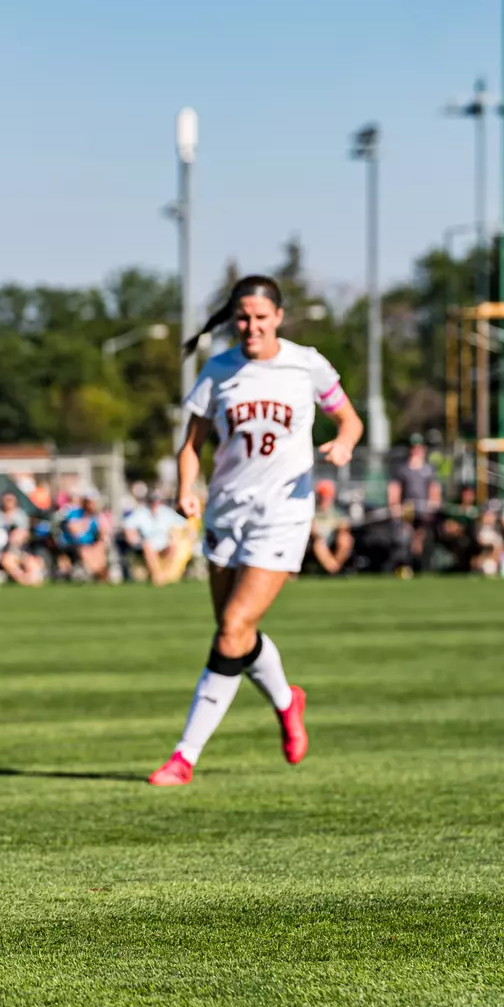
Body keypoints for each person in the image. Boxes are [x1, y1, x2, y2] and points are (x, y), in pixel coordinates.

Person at [149, 275, 363, 786]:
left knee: (231, 629)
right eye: (243, 317)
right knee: (234, 632)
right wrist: (186, 487)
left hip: (283, 515)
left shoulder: (305, 363)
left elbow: (349, 420)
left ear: (278, 318)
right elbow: (190, 445)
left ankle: (184, 756)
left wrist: (344, 445)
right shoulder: (219, 370)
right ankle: (288, 701)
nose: (251, 326)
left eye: (261, 318)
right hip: (225, 514)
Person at [388, 435, 442, 571]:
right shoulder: (402, 468)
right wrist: (395, 506)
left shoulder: (429, 469)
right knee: (404, 538)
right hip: (408, 509)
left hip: (424, 510)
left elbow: (434, 488)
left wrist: (433, 503)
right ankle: (406, 565)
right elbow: (395, 489)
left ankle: (421, 565)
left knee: (422, 536)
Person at [123, 486, 193, 586]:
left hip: (164, 544)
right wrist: (134, 539)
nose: (155, 503)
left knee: (173, 546)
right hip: (146, 545)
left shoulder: (166, 512)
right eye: (153, 500)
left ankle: (163, 576)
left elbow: (184, 524)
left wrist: (185, 535)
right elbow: (128, 526)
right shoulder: (140, 512)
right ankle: (158, 577)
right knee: (148, 547)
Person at [307, 479, 353, 576]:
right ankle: (333, 569)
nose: (325, 499)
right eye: (322, 496)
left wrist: (342, 527)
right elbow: (311, 527)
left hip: (333, 539)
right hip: (317, 540)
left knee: (345, 539)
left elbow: (345, 525)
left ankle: (334, 567)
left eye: (327, 496)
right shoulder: (312, 510)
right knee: (319, 543)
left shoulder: (337, 511)